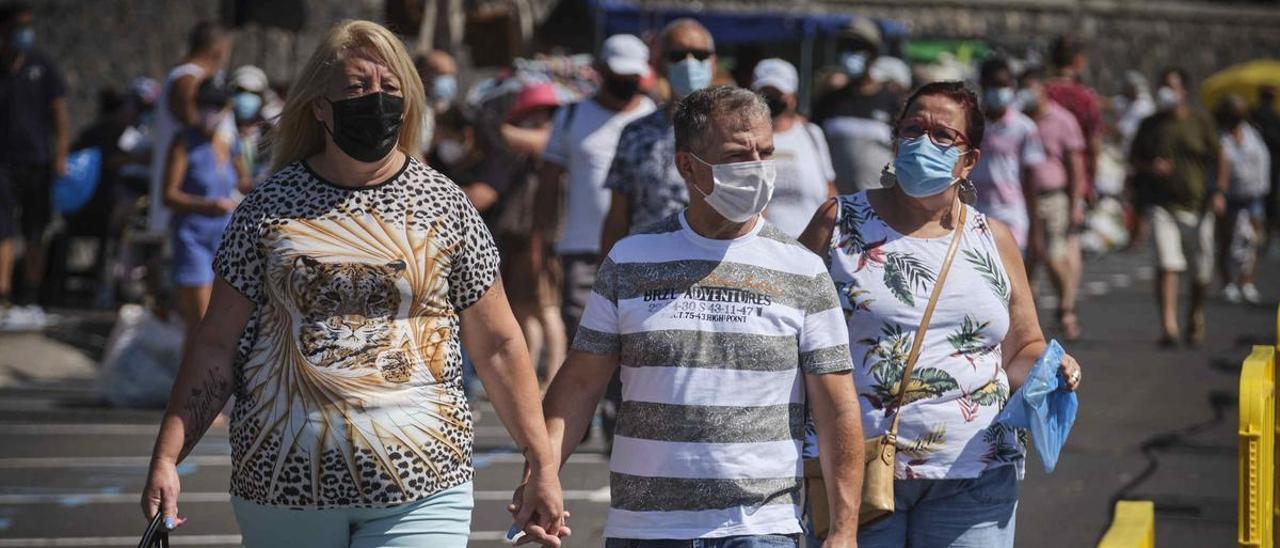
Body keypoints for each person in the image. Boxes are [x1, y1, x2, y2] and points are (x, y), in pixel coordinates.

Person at [140, 20, 567, 548]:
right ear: (320, 105)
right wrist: (167, 457)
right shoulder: (267, 210)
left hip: (424, 488)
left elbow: (500, 345)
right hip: (283, 491)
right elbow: (216, 345)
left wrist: (541, 464)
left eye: (390, 89)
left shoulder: (447, 206)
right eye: (357, 88)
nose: (376, 101)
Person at [531, 85, 865, 547]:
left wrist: (844, 529)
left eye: (764, 152)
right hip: (645, 529)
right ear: (687, 165)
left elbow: (836, 406)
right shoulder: (631, 260)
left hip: (760, 530)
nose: (756, 168)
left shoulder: (802, 269)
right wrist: (542, 473)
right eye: (735, 155)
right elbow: (582, 383)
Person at [798, 80, 1083, 547]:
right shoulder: (838, 222)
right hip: (855, 477)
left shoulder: (995, 238)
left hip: (977, 476)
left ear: (970, 159)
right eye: (913, 128)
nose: (923, 142)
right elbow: (787, 331)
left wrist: (1052, 368)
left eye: (942, 135)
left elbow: (1022, 346)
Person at [533, 33, 656, 342]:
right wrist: (543, 243)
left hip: (642, 250)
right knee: (583, 337)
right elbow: (549, 181)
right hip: (582, 250)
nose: (624, 82)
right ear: (601, 70)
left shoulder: (654, 118)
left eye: (631, 76)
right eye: (618, 75)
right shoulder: (571, 115)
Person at [598, 18, 717, 255]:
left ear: (713, 61)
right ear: (660, 63)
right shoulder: (636, 133)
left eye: (700, 54)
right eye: (678, 55)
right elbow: (618, 216)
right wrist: (607, 278)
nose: (690, 63)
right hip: (646, 269)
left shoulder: (734, 132)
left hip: (711, 270)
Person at [1130, 68, 1229, 346]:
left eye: (1171, 86)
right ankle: (1169, 326)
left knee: (1202, 271)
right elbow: (1135, 158)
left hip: (1199, 207)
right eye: (1162, 85)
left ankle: (1195, 314)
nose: (1166, 92)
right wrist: (1152, 167)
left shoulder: (1200, 122)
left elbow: (1221, 157)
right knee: (1167, 264)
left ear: (1184, 91)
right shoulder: (1150, 125)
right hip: (1163, 207)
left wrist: (1220, 191)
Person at [162, 80, 249, 334]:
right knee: (201, 321)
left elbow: (243, 182)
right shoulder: (184, 142)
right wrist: (206, 205)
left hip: (223, 240)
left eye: (216, 105)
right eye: (204, 105)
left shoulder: (230, 144)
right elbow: (168, 195)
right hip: (192, 238)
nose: (209, 111)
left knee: (218, 322)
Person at [0, 1, 68, 317]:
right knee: (3, 230)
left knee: (35, 231)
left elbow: (59, 113)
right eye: (19, 27)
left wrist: (61, 153)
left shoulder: (42, 65)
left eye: (28, 26)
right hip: (4, 164)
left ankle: (30, 295)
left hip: (38, 163)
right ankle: (4, 295)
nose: (25, 33)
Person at [1019, 67, 1088, 340]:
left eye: (1030, 86)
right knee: (1025, 263)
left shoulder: (1062, 120)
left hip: (1053, 197)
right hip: (1021, 199)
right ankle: (1028, 326)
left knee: (1052, 255)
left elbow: (1075, 164)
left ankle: (1066, 308)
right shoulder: (1019, 119)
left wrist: (1075, 203)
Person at [147, 20, 233, 234]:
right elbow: (196, 126)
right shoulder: (188, 79)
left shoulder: (196, 77)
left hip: (211, 206)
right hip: (190, 206)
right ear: (218, 50)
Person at [813, 17, 902, 194]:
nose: (848, 53)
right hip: (839, 207)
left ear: (873, 54)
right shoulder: (829, 102)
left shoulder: (892, 103)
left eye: (856, 47)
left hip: (881, 208)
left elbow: (902, 155)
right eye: (844, 47)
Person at [751, 58, 837, 238]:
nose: (770, 100)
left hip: (815, 243)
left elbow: (829, 189)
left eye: (777, 93)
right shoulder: (749, 138)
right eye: (764, 93)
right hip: (770, 245)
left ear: (793, 96)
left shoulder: (812, 133)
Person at [970, 58, 1045, 250]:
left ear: (1012, 86)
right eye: (993, 85)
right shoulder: (971, 125)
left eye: (1003, 85)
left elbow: (1030, 179)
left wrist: (1036, 228)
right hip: (976, 209)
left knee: (1010, 273)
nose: (998, 91)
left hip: (1011, 211)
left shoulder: (1024, 127)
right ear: (983, 86)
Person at [1216, 94, 1270, 304]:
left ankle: (1247, 282)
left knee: (1252, 242)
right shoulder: (1220, 138)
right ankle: (1228, 283)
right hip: (1230, 196)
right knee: (1227, 240)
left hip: (1253, 195)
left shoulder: (1253, 135)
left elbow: (1262, 163)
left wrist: (1262, 191)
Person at [1043, 35, 1103, 202]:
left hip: (1044, 180)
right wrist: (1092, 184)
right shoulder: (1086, 98)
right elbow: (1094, 146)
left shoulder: (1043, 95)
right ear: (1078, 61)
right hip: (1078, 183)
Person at [1253, 86, 1280, 243]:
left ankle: (1262, 229)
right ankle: (1267, 228)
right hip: (1271, 164)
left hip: (1260, 164)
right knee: (1269, 197)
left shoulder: (1253, 114)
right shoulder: (1274, 117)